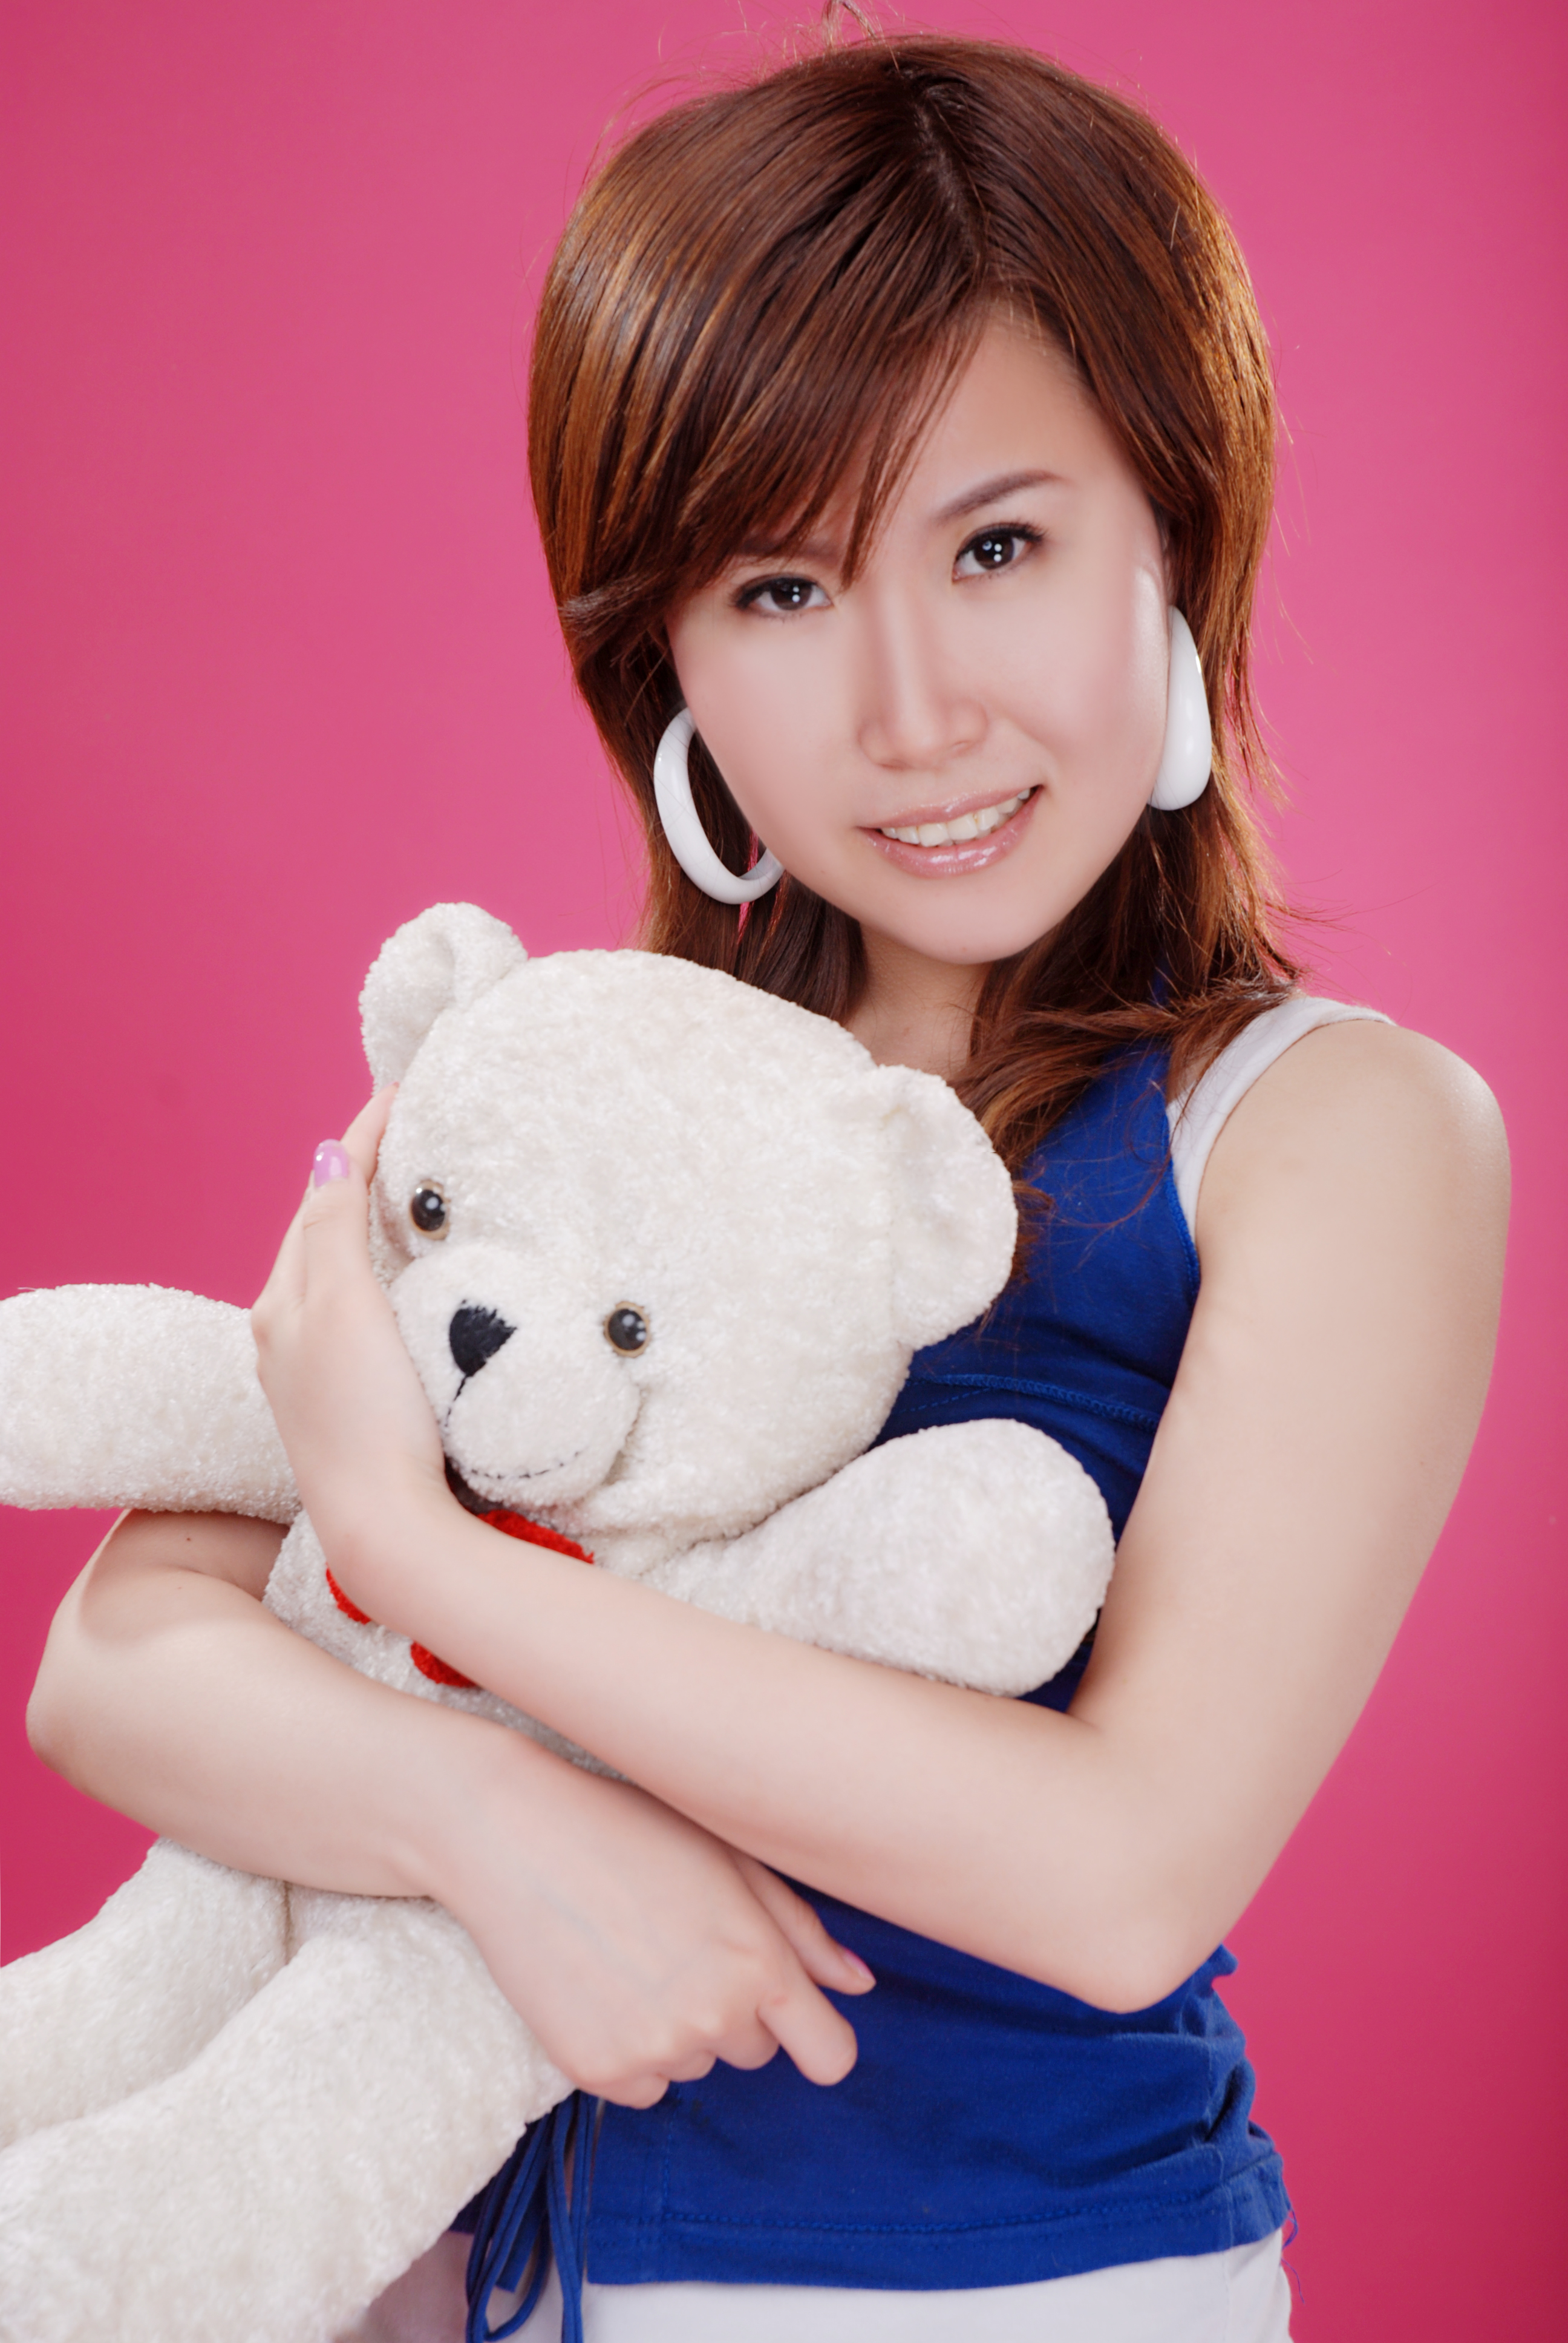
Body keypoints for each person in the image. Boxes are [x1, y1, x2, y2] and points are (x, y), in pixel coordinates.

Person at [27, 28, 1508, 2343]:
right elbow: (116, 1667)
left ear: (1176, 536)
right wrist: (498, 1826)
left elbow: (1119, 1872)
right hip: (473, 2282)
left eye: (998, 546)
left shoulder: (1328, 1132)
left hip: (1007, 2294)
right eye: (785, 588)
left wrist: (422, 1554)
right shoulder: (581, 1073)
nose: (914, 712)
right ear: (669, 662)